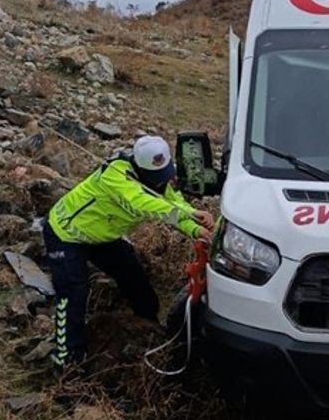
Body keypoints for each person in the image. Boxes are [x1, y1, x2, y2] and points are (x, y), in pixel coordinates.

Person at [43, 135, 214, 370]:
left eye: (163, 175)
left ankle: (149, 332)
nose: (160, 183)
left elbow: (173, 208)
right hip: (66, 234)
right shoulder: (115, 176)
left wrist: (195, 230)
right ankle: (67, 361)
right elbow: (142, 203)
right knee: (73, 293)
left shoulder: (159, 182)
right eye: (155, 177)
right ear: (138, 165)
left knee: (136, 281)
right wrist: (191, 213)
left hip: (103, 238)